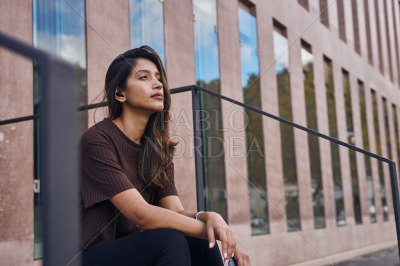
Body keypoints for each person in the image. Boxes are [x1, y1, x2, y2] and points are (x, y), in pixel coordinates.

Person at [80, 46, 250, 266]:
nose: (158, 83)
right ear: (120, 93)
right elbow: (141, 214)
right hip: (87, 256)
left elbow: (175, 213)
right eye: (144, 77)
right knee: (170, 239)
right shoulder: (97, 141)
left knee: (196, 240)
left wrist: (211, 218)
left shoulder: (158, 149)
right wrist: (222, 235)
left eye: (159, 78)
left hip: (133, 252)